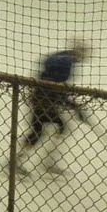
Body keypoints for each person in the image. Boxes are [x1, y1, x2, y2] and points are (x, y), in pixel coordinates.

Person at [14, 41, 92, 177]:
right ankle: (17, 162)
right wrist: (74, 107)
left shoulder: (63, 57)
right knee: (38, 132)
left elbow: (57, 88)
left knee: (56, 128)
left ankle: (44, 162)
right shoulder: (66, 64)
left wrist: (73, 106)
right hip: (44, 101)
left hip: (42, 99)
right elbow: (57, 90)